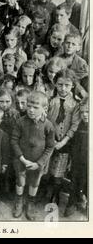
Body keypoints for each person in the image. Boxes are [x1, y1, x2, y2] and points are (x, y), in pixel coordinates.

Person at [11, 91, 56, 221]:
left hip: (37, 163)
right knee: (20, 181)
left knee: (34, 183)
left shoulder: (48, 125)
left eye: (35, 107)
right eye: (29, 106)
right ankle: (19, 201)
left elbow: (50, 147)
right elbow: (14, 140)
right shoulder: (20, 122)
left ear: (44, 108)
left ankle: (30, 202)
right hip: (21, 160)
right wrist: (22, 159)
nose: (30, 110)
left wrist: (39, 163)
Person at [47, 69, 80, 205]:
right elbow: (47, 121)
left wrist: (63, 141)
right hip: (50, 140)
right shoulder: (51, 101)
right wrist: (51, 139)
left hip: (64, 143)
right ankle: (45, 191)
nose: (63, 88)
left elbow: (74, 126)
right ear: (55, 84)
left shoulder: (75, 104)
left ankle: (55, 195)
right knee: (48, 168)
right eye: (60, 84)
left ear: (72, 85)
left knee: (58, 173)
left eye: (67, 85)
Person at [64, 97, 88, 217]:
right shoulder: (79, 127)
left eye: (88, 111)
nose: (85, 115)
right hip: (78, 160)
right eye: (83, 112)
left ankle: (86, 202)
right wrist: (71, 160)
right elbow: (73, 145)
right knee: (74, 181)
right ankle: (71, 202)